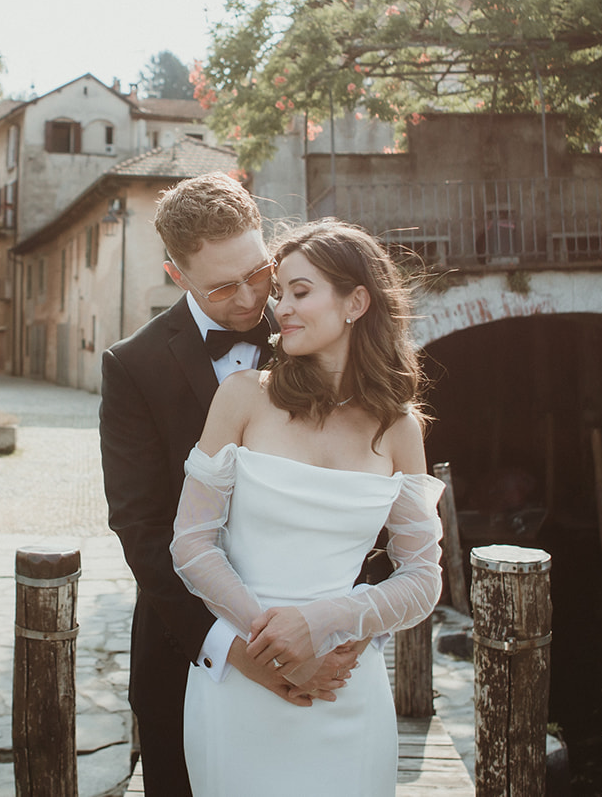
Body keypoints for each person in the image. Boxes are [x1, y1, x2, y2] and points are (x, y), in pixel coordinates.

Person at [100, 174, 363, 797]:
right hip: (190, 656)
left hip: (324, 648)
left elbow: (367, 494)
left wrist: (338, 628)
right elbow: (140, 529)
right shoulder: (132, 367)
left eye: (259, 271)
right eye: (222, 286)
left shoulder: (320, 333)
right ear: (177, 275)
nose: (250, 298)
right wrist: (237, 650)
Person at [170, 218, 445, 797]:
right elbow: (191, 543)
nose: (280, 309)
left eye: (300, 292)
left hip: (344, 686)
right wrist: (268, 646)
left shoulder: (399, 428)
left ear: (356, 301)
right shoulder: (243, 397)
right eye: (280, 294)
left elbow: (423, 579)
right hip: (241, 687)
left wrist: (324, 624)